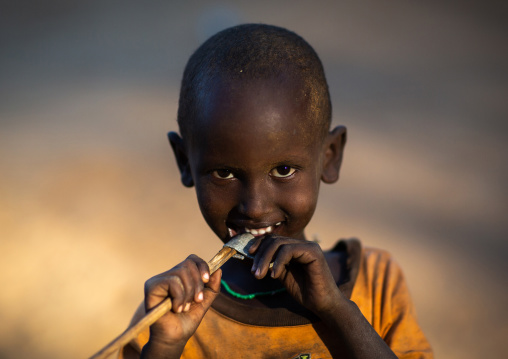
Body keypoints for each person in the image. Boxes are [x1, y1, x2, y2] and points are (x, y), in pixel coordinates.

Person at [118, 24, 432, 359]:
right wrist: (165, 347)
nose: (254, 206)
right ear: (184, 161)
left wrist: (337, 311)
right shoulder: (173, 315)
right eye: (224, 173)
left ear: (330, 157)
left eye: (283, 170)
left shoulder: (377, 283)